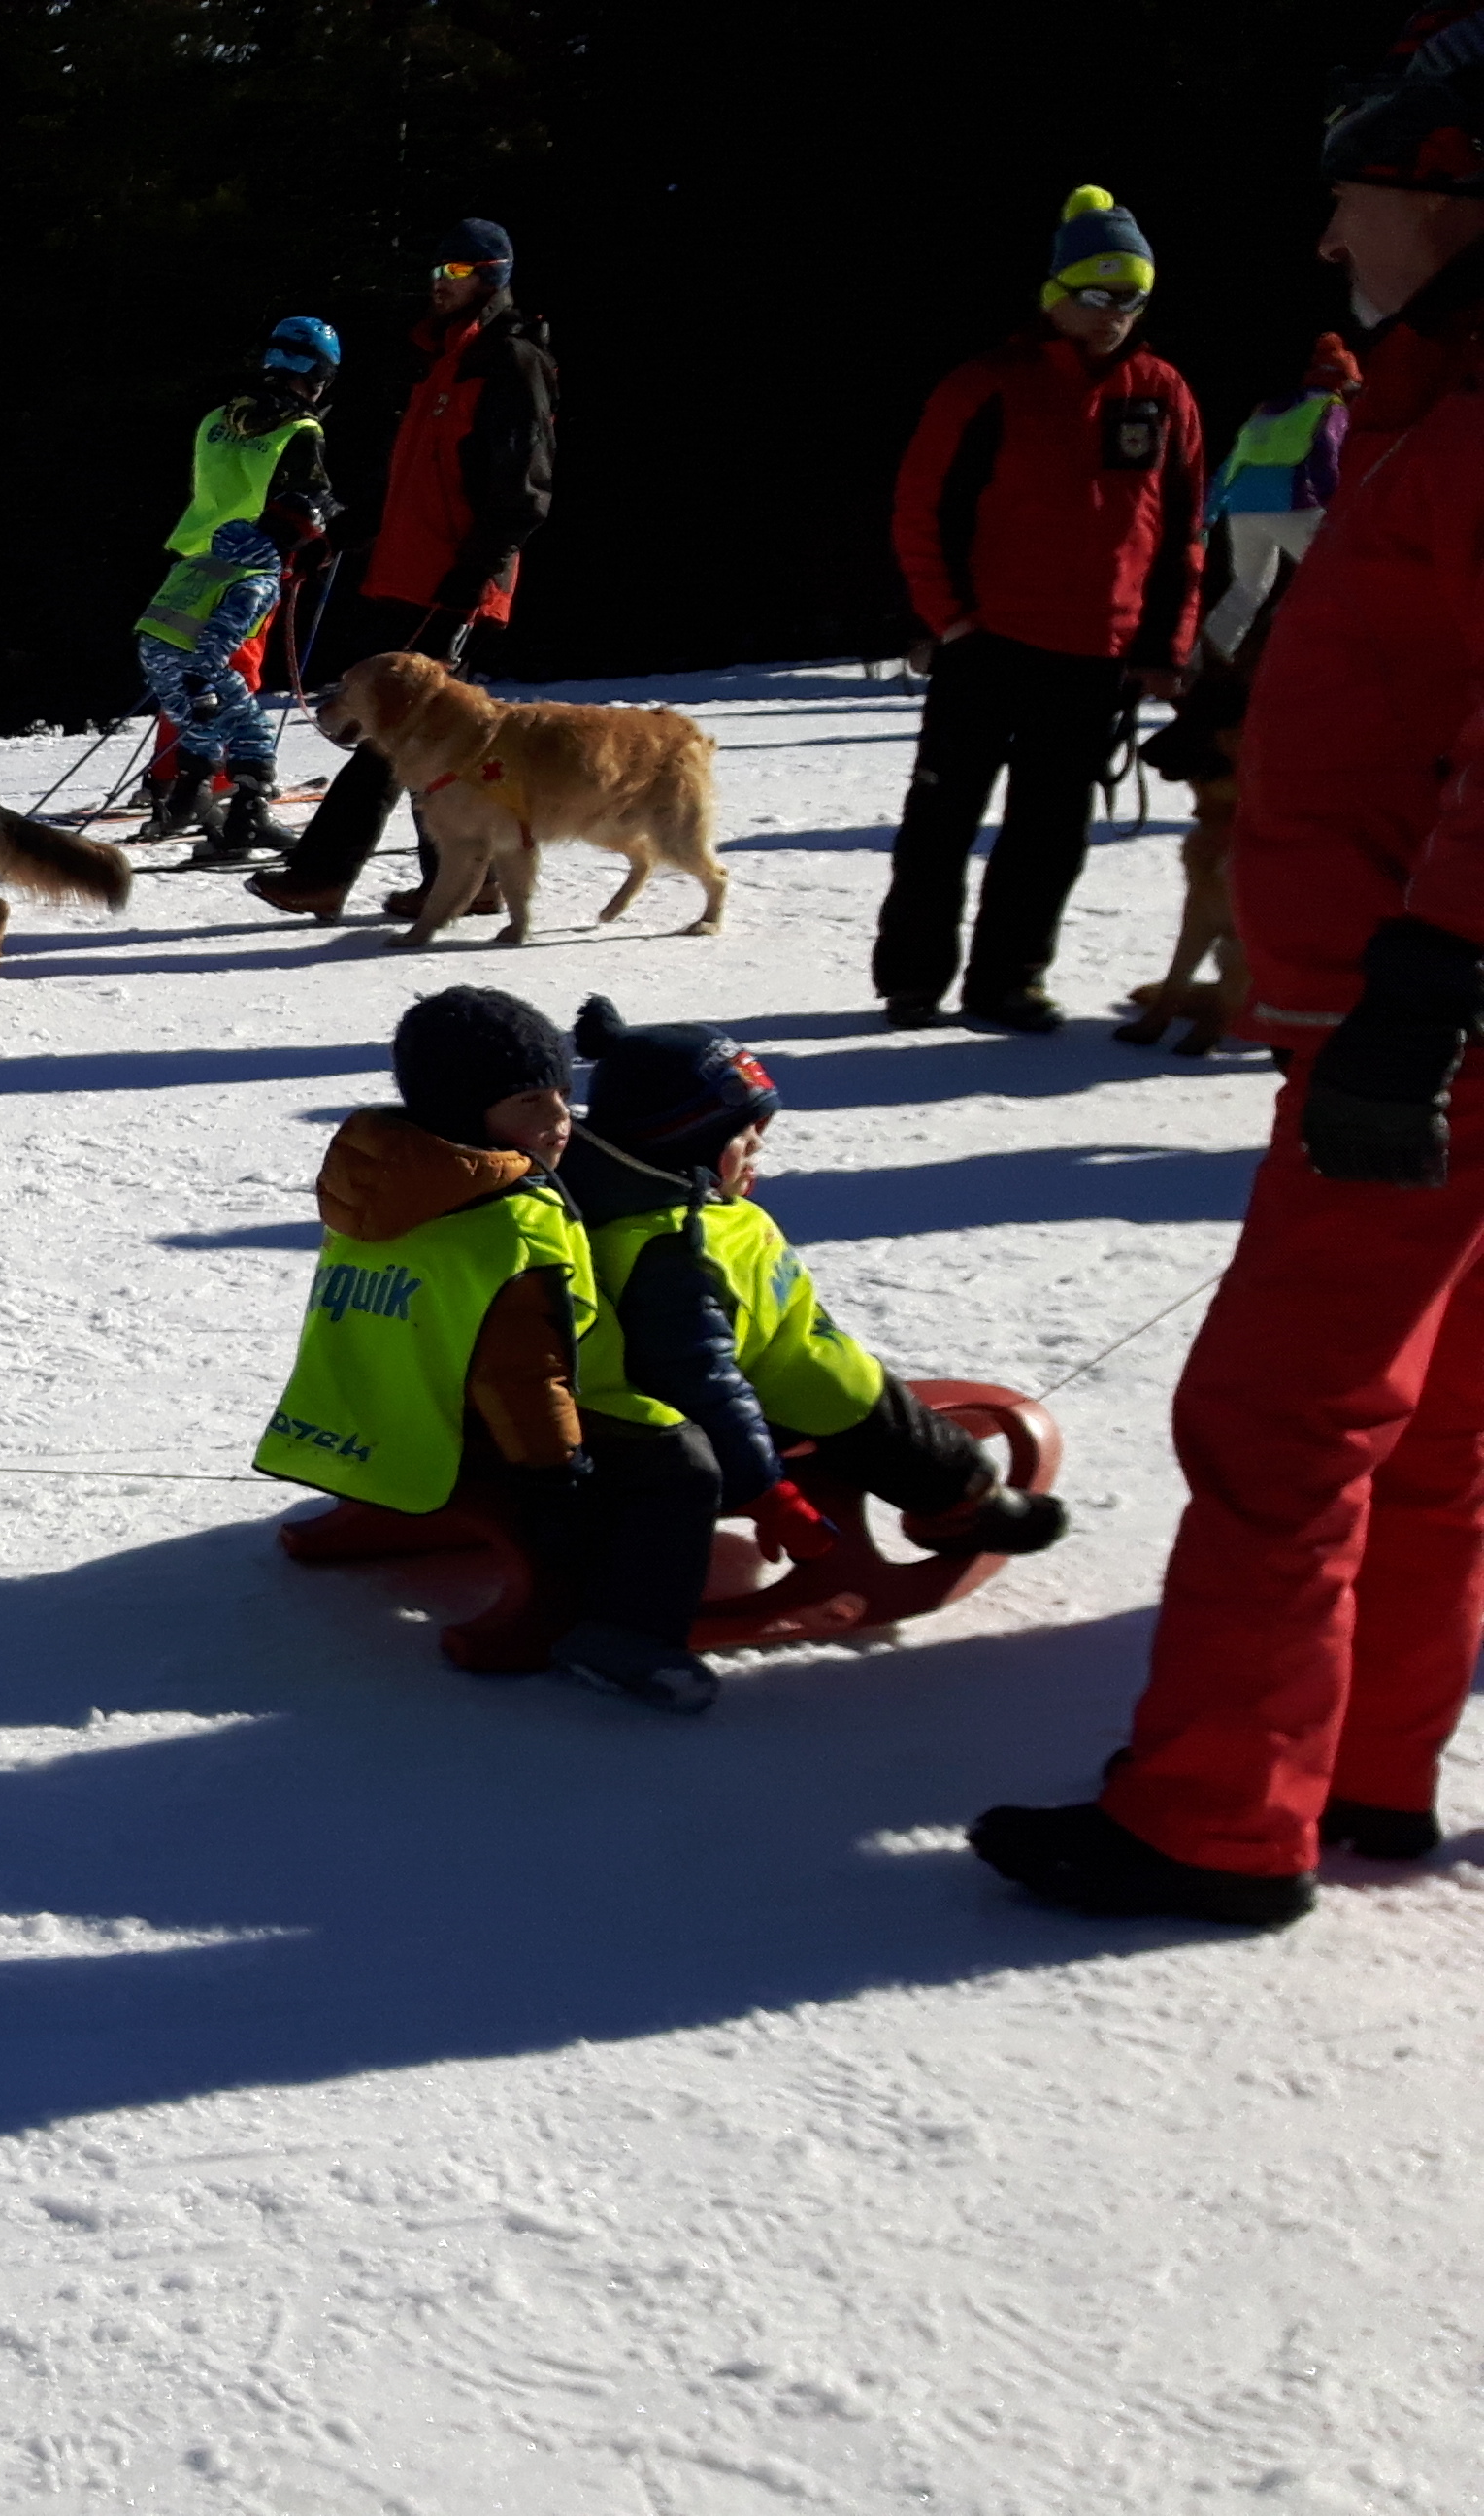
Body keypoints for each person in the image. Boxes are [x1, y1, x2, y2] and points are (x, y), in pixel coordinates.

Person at [973, 10, 1484, 1928]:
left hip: (1422, 1021)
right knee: (1427, 1417)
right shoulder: (1437, 413)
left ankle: (1211, 1816)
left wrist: (1430, 972)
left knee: (1282, 1419)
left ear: (1453, 194)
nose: (1329, 244)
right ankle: (1364, 1773)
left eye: (1352, 199)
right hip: (1419, 1003)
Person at [252, 987, 723, 1712]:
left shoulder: (382, 1172)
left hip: (367, 1414)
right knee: (683, 1461)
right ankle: (629, 1637)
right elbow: (524, 1373)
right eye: (531, 1102)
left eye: (564, 1095)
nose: (562, 1120)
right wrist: (555, 1474)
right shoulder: (511, 1222)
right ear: (466, 1106)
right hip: (481, 1434)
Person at [557, 997, 1070, 1562]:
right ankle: (962, 1510)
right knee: (897, 1432)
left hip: (798, 1359)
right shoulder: (670, 1253)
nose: (759, 1146)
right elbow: (702, 1382)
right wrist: (766, 1492)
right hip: (785, 1394)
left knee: (877, 1400)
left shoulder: (692, 1208)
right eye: (742, 1134)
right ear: (680, 1144)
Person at [864, 187, 1204, 1035]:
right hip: (986, 641)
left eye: (1132, 297)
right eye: (1098, 295)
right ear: (1057, 294)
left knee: (1050, 833)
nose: (1115, 315)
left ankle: (1009, 981)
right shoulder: (987, 385)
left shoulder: (1162, 392)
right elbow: (919, 508)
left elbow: (1184, 530)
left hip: (1096, 651)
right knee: (943, 818)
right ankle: (912, 981)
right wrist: (947, 618)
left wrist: (1165, 644)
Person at [246, 220, 558, 923]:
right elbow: (410, 483)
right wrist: (341, 536)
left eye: (456, 269)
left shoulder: (510, 363)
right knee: (420, 738)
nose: (439, 281)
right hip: (406, 572)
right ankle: (467, 881)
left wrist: (473, 575)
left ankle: (323, 875)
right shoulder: (444, 362)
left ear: (492, 276)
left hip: (454, 580)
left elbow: (525, 492)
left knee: (394, 731)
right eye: (437, 268)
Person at [134, 316, 343, 863]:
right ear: (319, 376)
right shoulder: (297, 430)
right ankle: (234, 788)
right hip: (247, 569)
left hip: (193, 558)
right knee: (234, 675)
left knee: (185, 672)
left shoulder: (216, 418)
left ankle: (179, 780)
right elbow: (307, 502)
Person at [1205, 331, 1360, 663]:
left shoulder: (1269, 410)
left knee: (1248, 588)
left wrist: (1209, 511)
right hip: (1292, 503)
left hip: (1242, 506)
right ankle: (1316, 658)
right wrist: (1334, 504)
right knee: (1334, 579)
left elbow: (1232, 462)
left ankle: (1201, 661)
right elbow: (1325, 455)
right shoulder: (1329, 408)